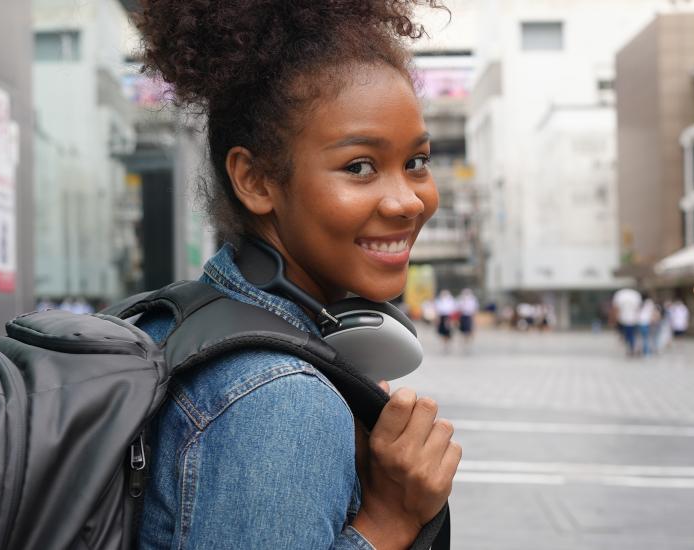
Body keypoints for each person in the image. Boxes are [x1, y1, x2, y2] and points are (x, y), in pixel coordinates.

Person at [133, 2, 461, 548]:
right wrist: (388, 521)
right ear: (256, 179)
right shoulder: (280, 401)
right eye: (360, 167)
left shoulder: (180, 321)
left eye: (417, 162)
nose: (408, 201)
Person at [612, 287, 641, 356]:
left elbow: (616, 308)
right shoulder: (634, 295)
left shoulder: (620, 296)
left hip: (626, 319)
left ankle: (632, 349)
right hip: (632, 319)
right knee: (631, 335)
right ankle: (632, 348)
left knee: (630, 335)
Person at [638, 292, 656, 357]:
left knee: (642, 337)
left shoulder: (640, 303)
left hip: (640, 322)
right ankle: (646, 351)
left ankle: (644, 350)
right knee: (647, 337)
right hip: (647, 322)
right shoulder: (649, 303)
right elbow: (652, 312)